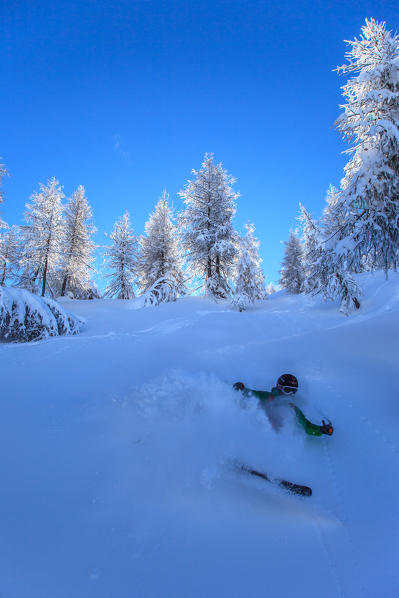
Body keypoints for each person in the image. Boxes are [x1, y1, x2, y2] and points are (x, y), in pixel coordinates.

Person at [233, 373, 333, 437]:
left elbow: (307, 426)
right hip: (257, 424)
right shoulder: (269, 396)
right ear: (279, 387)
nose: (289, 394)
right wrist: (242, 389)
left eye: (293, 391)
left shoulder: (292, 407)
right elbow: (253, 394)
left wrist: (321, 430)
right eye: (287, 390)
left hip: (272, 434)